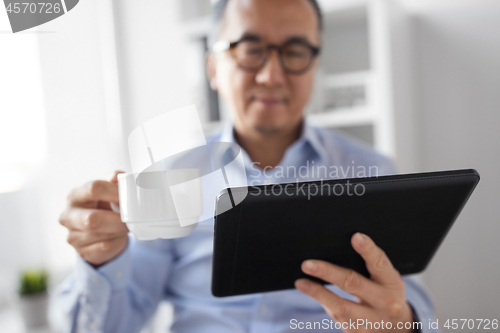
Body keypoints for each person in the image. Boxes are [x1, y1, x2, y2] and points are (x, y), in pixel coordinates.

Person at [54, 0, 439, 332]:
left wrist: (403, 321)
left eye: (295, 50)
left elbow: (409, 301)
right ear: (212, 67)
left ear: (315, 64)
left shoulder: (374, 172)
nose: (271, 76)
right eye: (249, 49)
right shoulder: (165, 181)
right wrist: (101, 263)